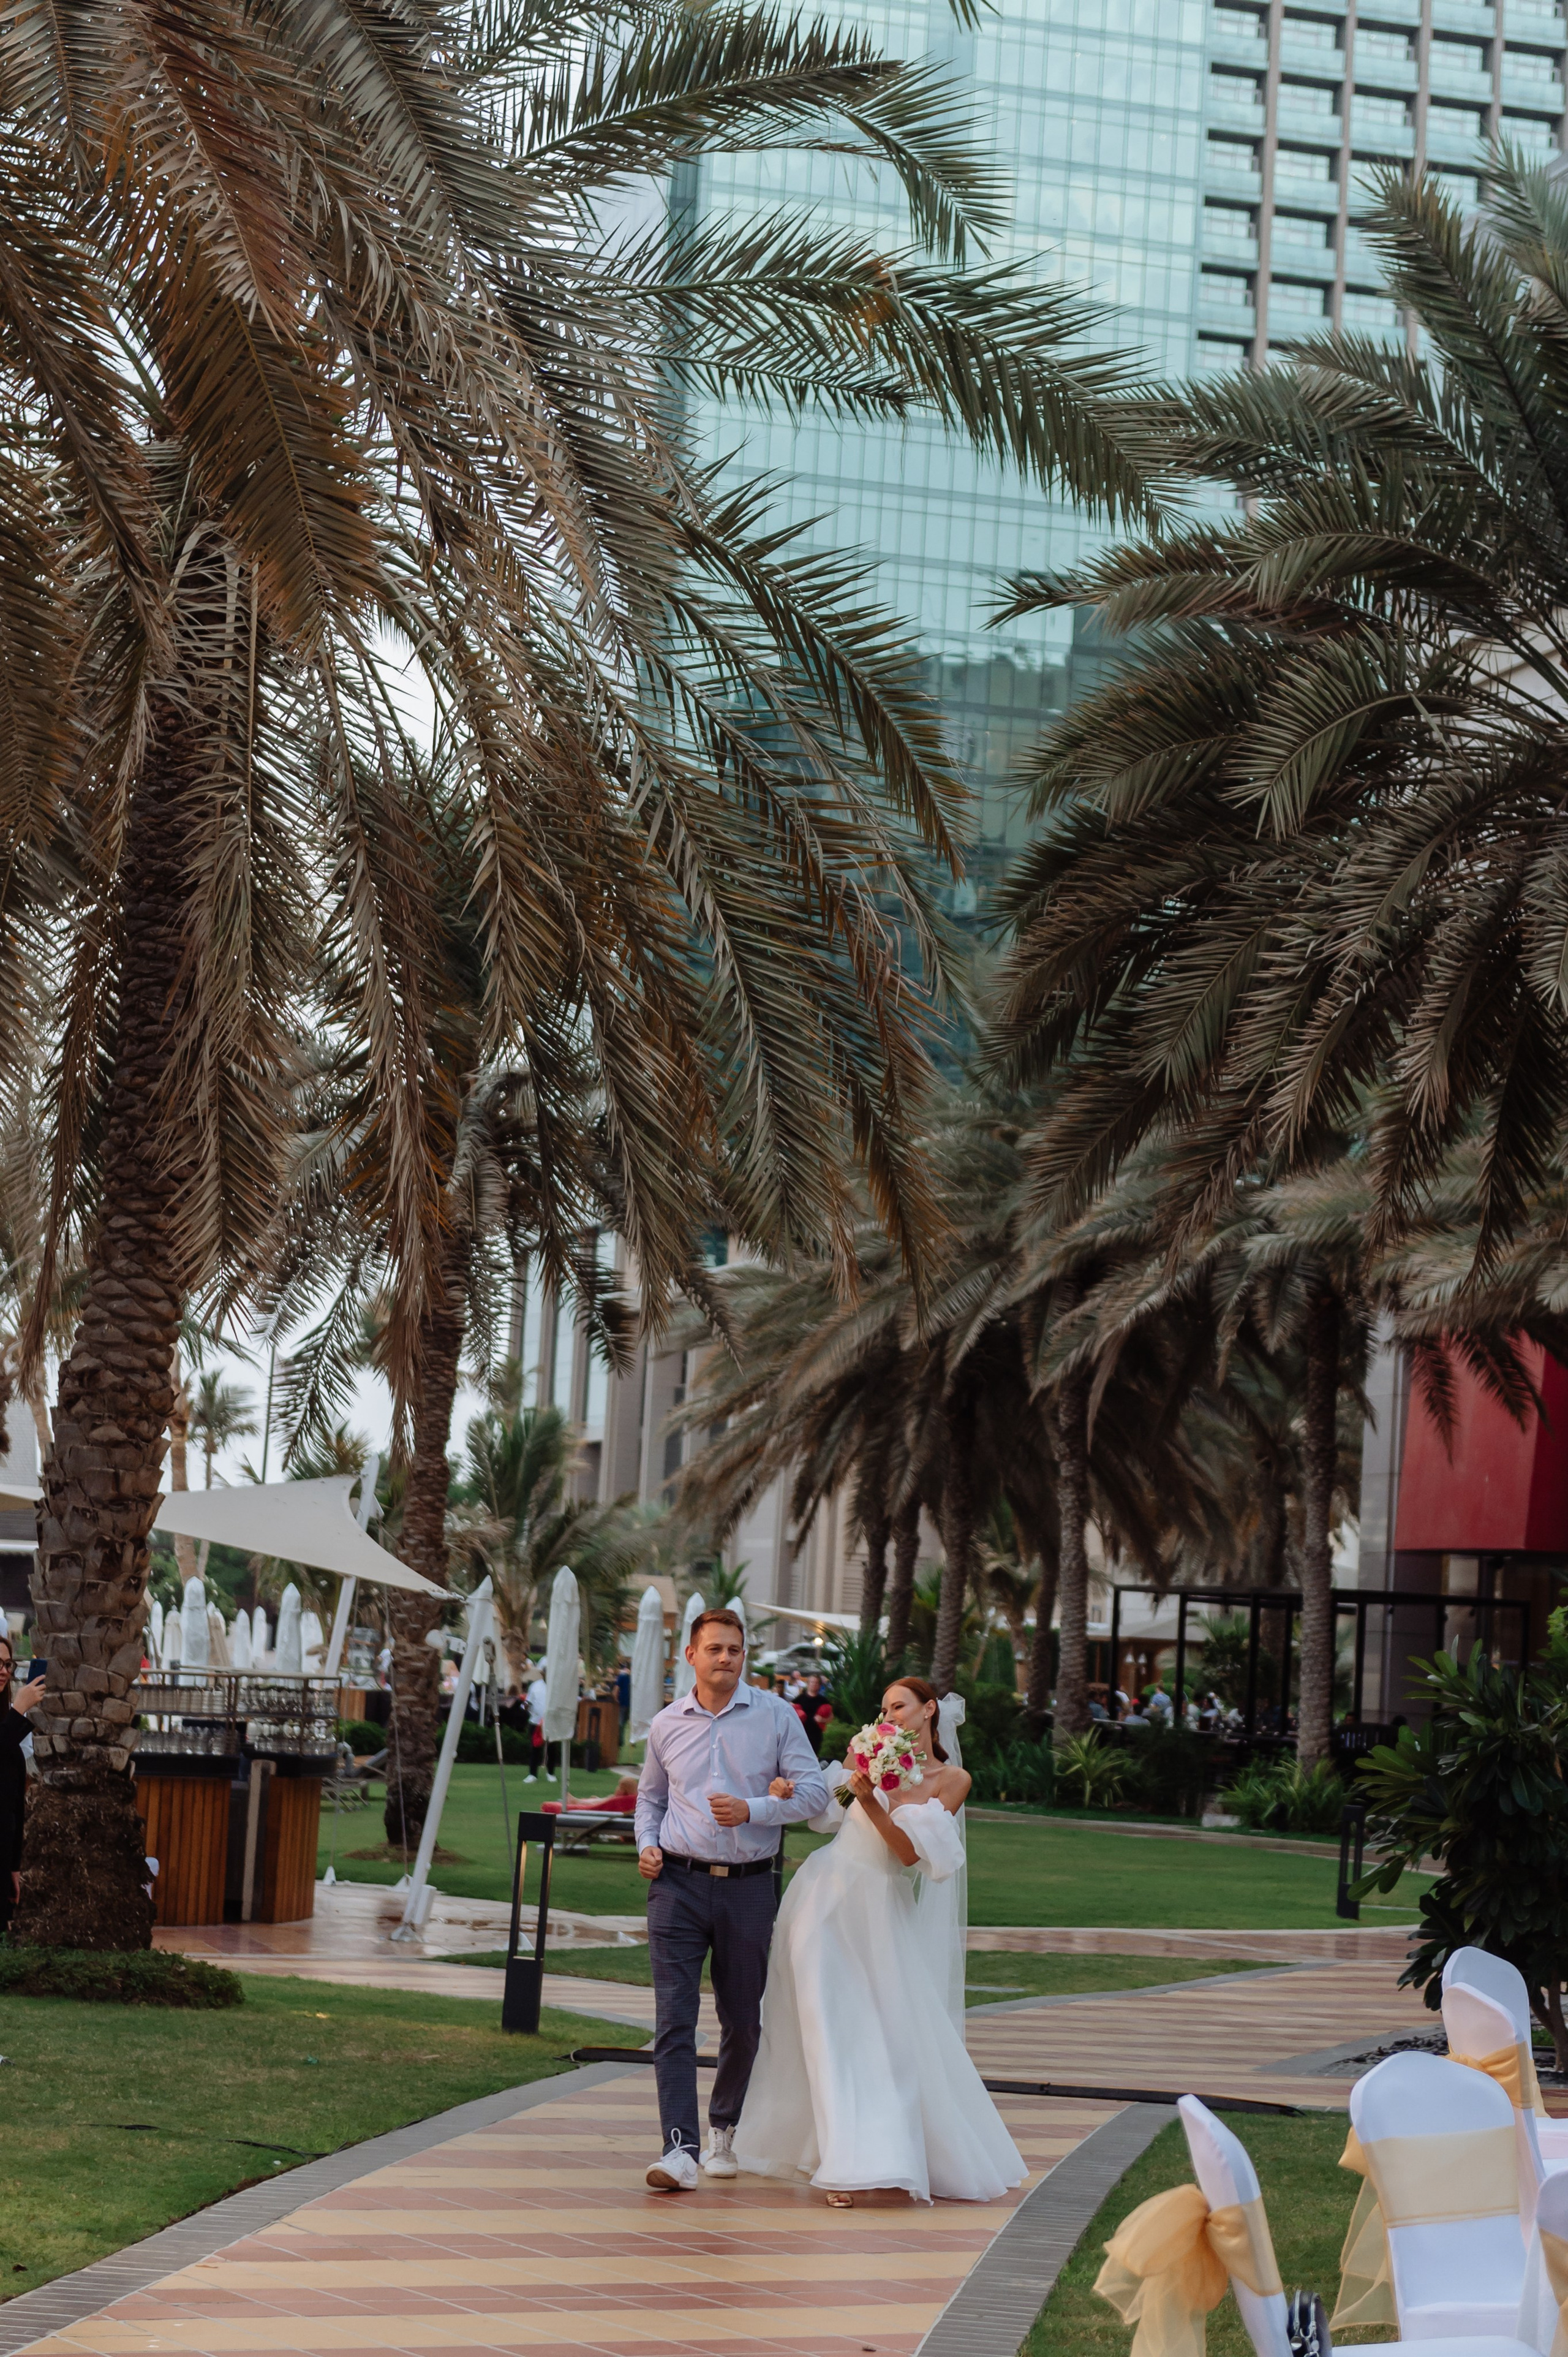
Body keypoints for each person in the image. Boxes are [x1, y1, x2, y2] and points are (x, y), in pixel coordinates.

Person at [734, 1676, 1025, 2208]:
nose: (889, 1716)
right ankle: (842, 2163)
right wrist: (788, 1792)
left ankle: (879, 2151)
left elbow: (911, 1853)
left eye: (900, 1706)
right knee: (823, 2023)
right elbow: (824, 1814)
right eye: (885, 1708)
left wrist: (873, 1801)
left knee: (879, 2033)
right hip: (824, 1897)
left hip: (881, 1908)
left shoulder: (953, 1779)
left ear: (928, 1710)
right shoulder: (865, 1751)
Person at [635, 1607, 827, 2193]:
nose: (725, 1657)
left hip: (749, 1885)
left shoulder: (777, 1715)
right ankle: (679, 2149)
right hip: (677, 1884)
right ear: (691, 1655)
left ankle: (724, 2128)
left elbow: (815, 1793)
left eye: (735, 1649)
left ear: (744, 1656)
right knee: (674, 2019)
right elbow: (651, 1799)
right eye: (715, 1648)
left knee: (743, 2020)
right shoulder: (666, 1724)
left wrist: (754, 1809)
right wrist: (646, 1844)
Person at [0, 1634, 44, 1933]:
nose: (4, 1671)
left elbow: (16, 1805)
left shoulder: (7, 1724)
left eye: (8, 1664)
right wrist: (18, 1712)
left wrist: (14, 1869)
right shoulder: (10, 1723)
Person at [524, 1662, 547, 1782]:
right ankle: (533, 1774)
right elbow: (528, 1702)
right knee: (535, 1748)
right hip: (536, 1722)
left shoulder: (556, 1687)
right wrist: (526, 1705)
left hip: (550, 1722)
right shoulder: (535, 1686)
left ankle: (551, 1773)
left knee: (551, 1748)